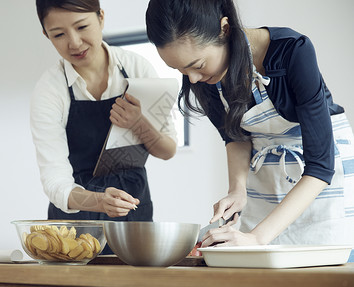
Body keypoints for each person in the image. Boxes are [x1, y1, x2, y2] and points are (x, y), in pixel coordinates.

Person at [146, 0, 354, 247]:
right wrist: (238, 190)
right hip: (265, 182)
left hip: (319, 184)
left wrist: (257, 237)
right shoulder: (208, 77)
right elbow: (235, 137)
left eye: (197, 65)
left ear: (224, 28)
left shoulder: (292, 50)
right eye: (180, 70)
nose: (192, 78)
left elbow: (320, 166)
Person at [31, 0, 177, 253]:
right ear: (46, 35)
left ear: (101, 17)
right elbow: (55, 182)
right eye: (59, 34)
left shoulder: (136, 68)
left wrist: (139, 124)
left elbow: (167, 150)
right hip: (74, 216)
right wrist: (99, 201)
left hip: (132, 205)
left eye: (82, 26)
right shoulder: (49, 90)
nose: (74, 42)